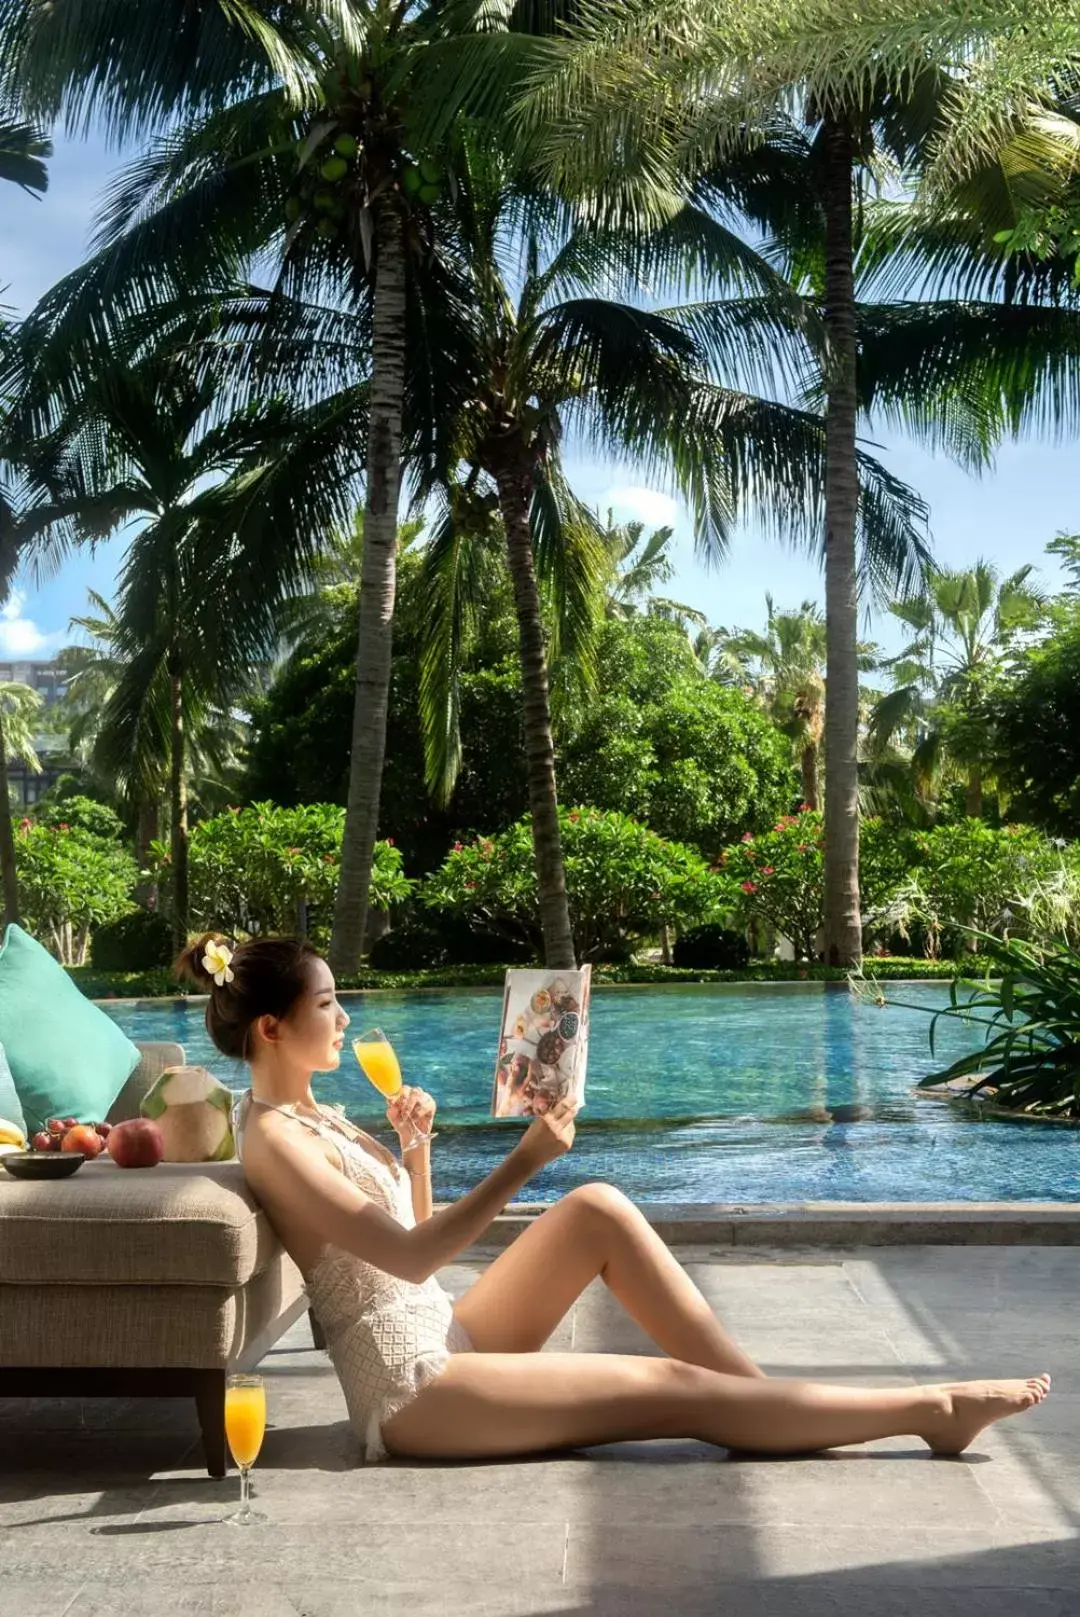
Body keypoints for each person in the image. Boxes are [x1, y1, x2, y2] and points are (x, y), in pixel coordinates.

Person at [176, 934, 1050, 1466]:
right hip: (414, 1390)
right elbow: (410, 1256)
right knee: (669, 1384)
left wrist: (414, 1149)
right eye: (329, 1003)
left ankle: (763, 1406)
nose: (344, 1015)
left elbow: (402, 1232)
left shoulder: (313, 1111)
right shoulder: (277, 1140)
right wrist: (524, 1158)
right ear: (272, 1027)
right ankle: (931, 1411)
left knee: (595, 1203)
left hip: (445, 1328)